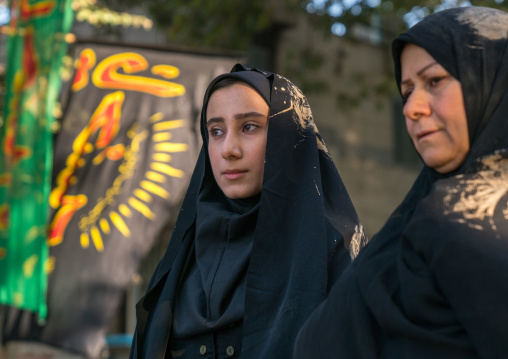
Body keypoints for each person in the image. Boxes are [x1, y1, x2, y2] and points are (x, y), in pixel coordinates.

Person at [293, 6, 508, 359]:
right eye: (407, 91)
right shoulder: (420, 213)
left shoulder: (463, 218)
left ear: (492, 82)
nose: (411, 108)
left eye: (434, 81)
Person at [129, 64, 366, 359]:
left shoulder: (334, 249)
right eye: (215, 131)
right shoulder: (184, 253)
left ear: (288, 138)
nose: (229, 148)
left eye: (249, 127)